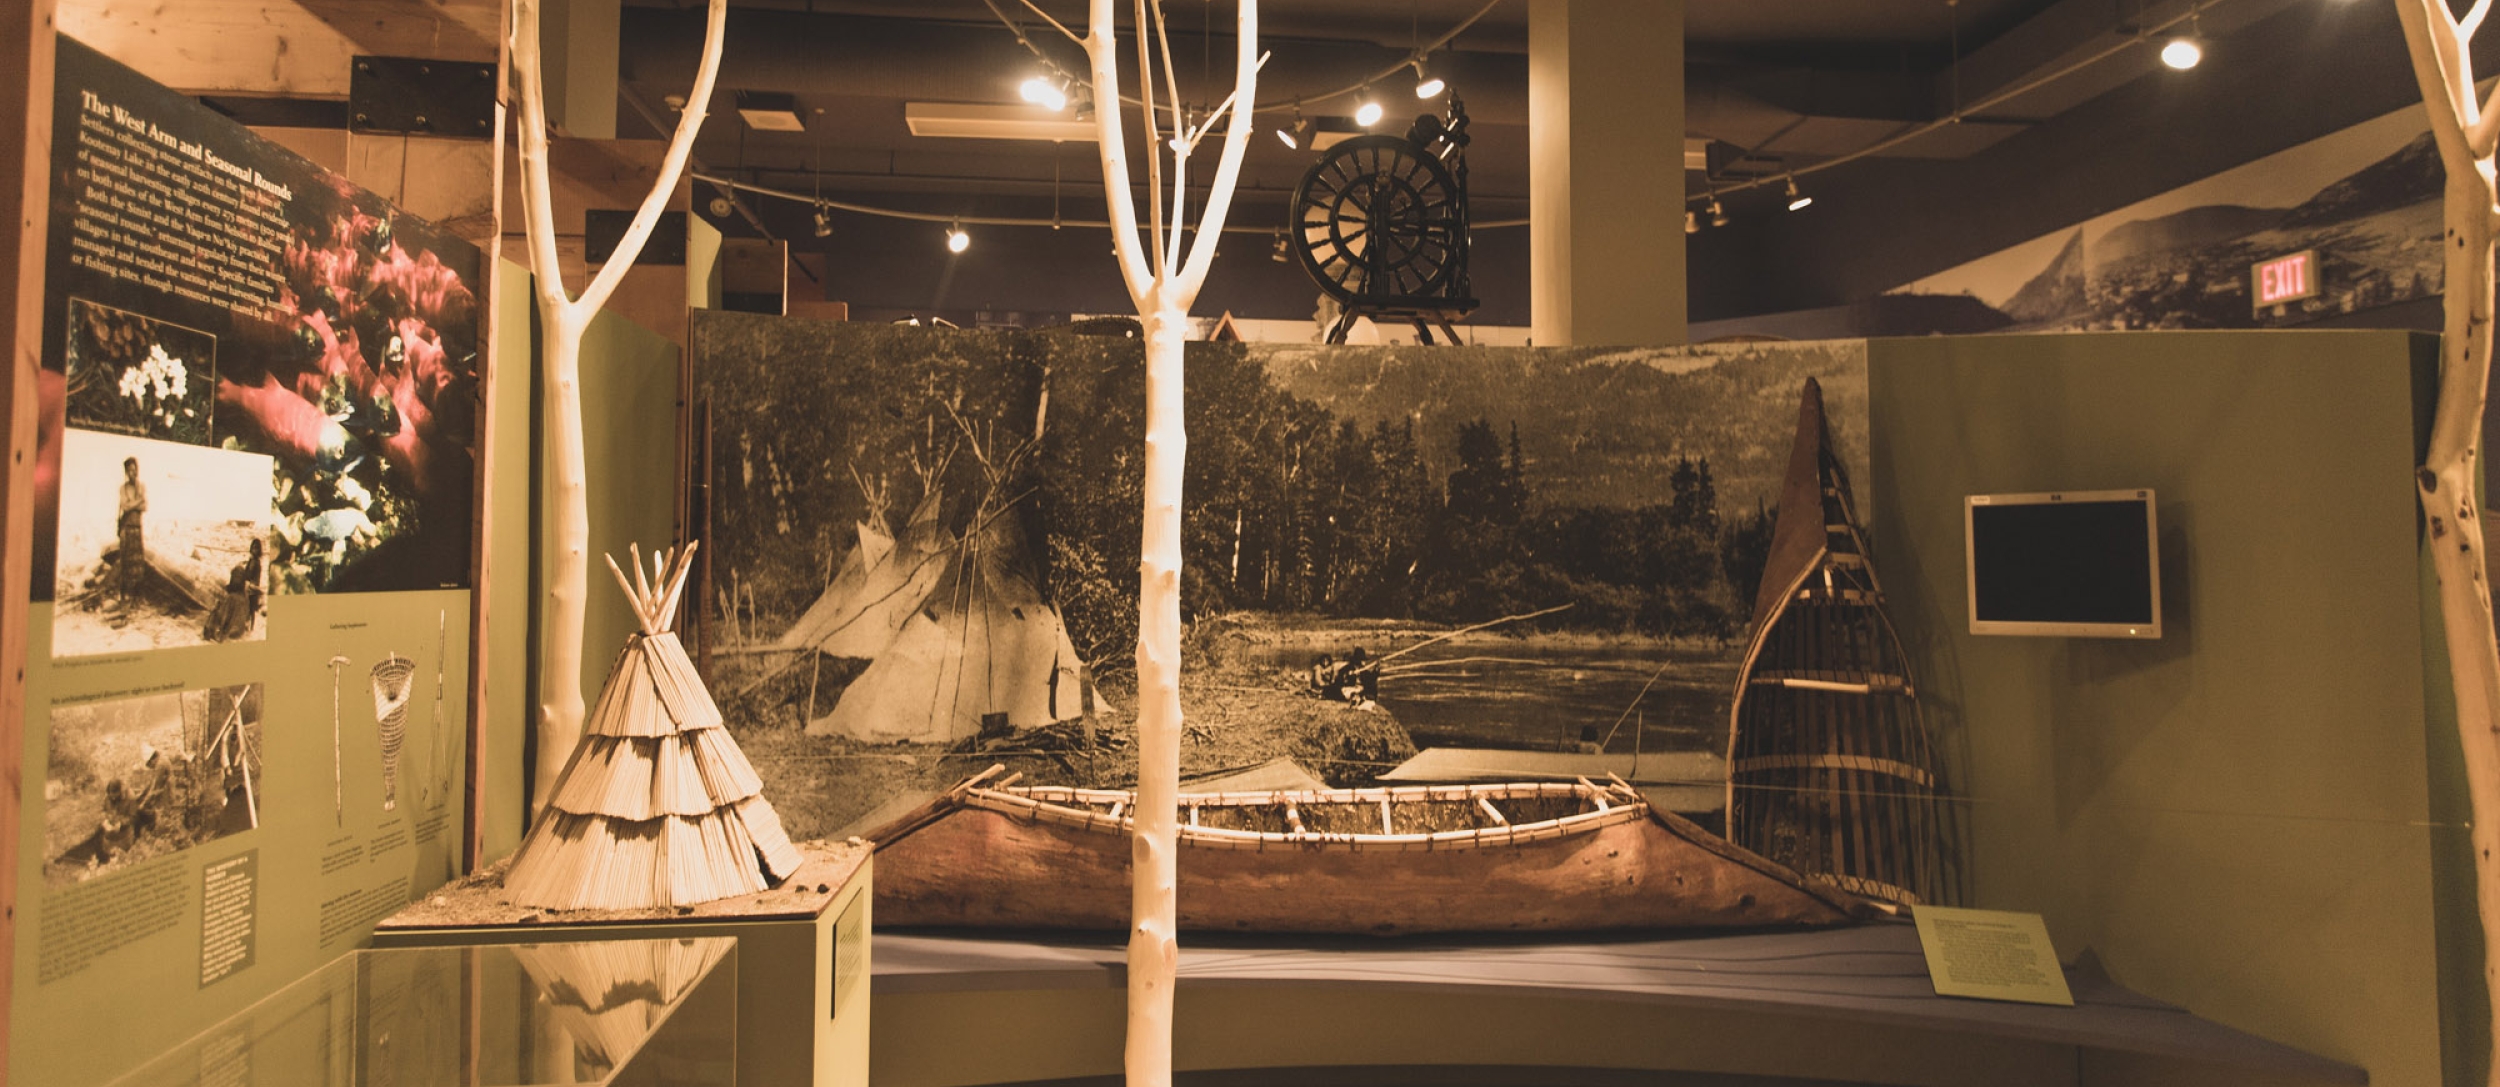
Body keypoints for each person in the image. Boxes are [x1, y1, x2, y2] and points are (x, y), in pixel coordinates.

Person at [202, 538, 264, 641]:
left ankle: (249, 625)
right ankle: (246, 624)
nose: (254, 550)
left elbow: (252, 577)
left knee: (245, 606)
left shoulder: (256, 563)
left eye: (256, 548)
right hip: (247, 585)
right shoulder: (252, 560)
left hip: (252, 586)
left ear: (259, 550)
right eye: (253, 548)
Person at [114, 456, 146, 606]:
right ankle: (124, 595)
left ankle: (137, 597)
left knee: (138, 563)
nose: (134, 473)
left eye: (135, 470)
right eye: (130, 470)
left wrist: (132, 503)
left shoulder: (141, 487)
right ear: (126, 472)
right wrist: (138, 501)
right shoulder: (123, 488)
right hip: (126, 528)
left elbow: (144, 507)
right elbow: (125, 507)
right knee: (125, 562)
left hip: (137, 528)